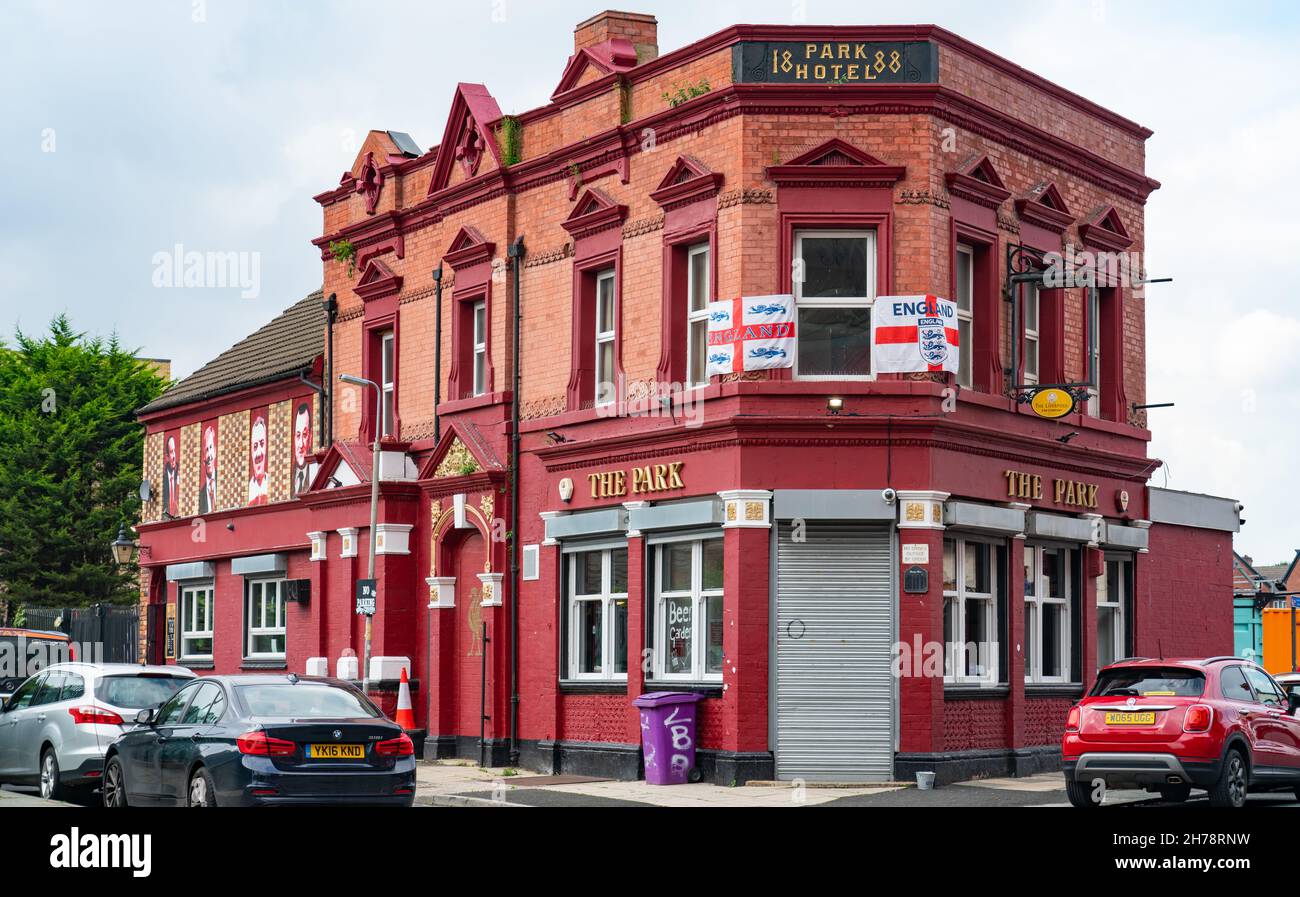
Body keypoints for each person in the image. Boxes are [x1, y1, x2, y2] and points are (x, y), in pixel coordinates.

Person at [247, 414, 269, 506]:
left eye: (262, 444)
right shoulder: (248, 488)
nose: (259, 454)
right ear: (251, 451)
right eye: (255, 446)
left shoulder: (270, 483)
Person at [292, 401, 313, 496]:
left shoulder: (313, 474)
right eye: (298, 435)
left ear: (311, 437)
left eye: (304, 435)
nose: (300, 445)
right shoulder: (290, 477)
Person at [198, 423, 218, 514]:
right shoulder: (200, 494)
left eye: (211, 448)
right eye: (206, 450)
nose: (209, 455)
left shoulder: (222, 481)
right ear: (203, 457)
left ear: (215, 451)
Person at [162, 435, 179, 517]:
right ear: (167, 456)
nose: (174, 456)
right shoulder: (163, 480)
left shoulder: (180, 472)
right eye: (172, 452)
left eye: (174, 451)